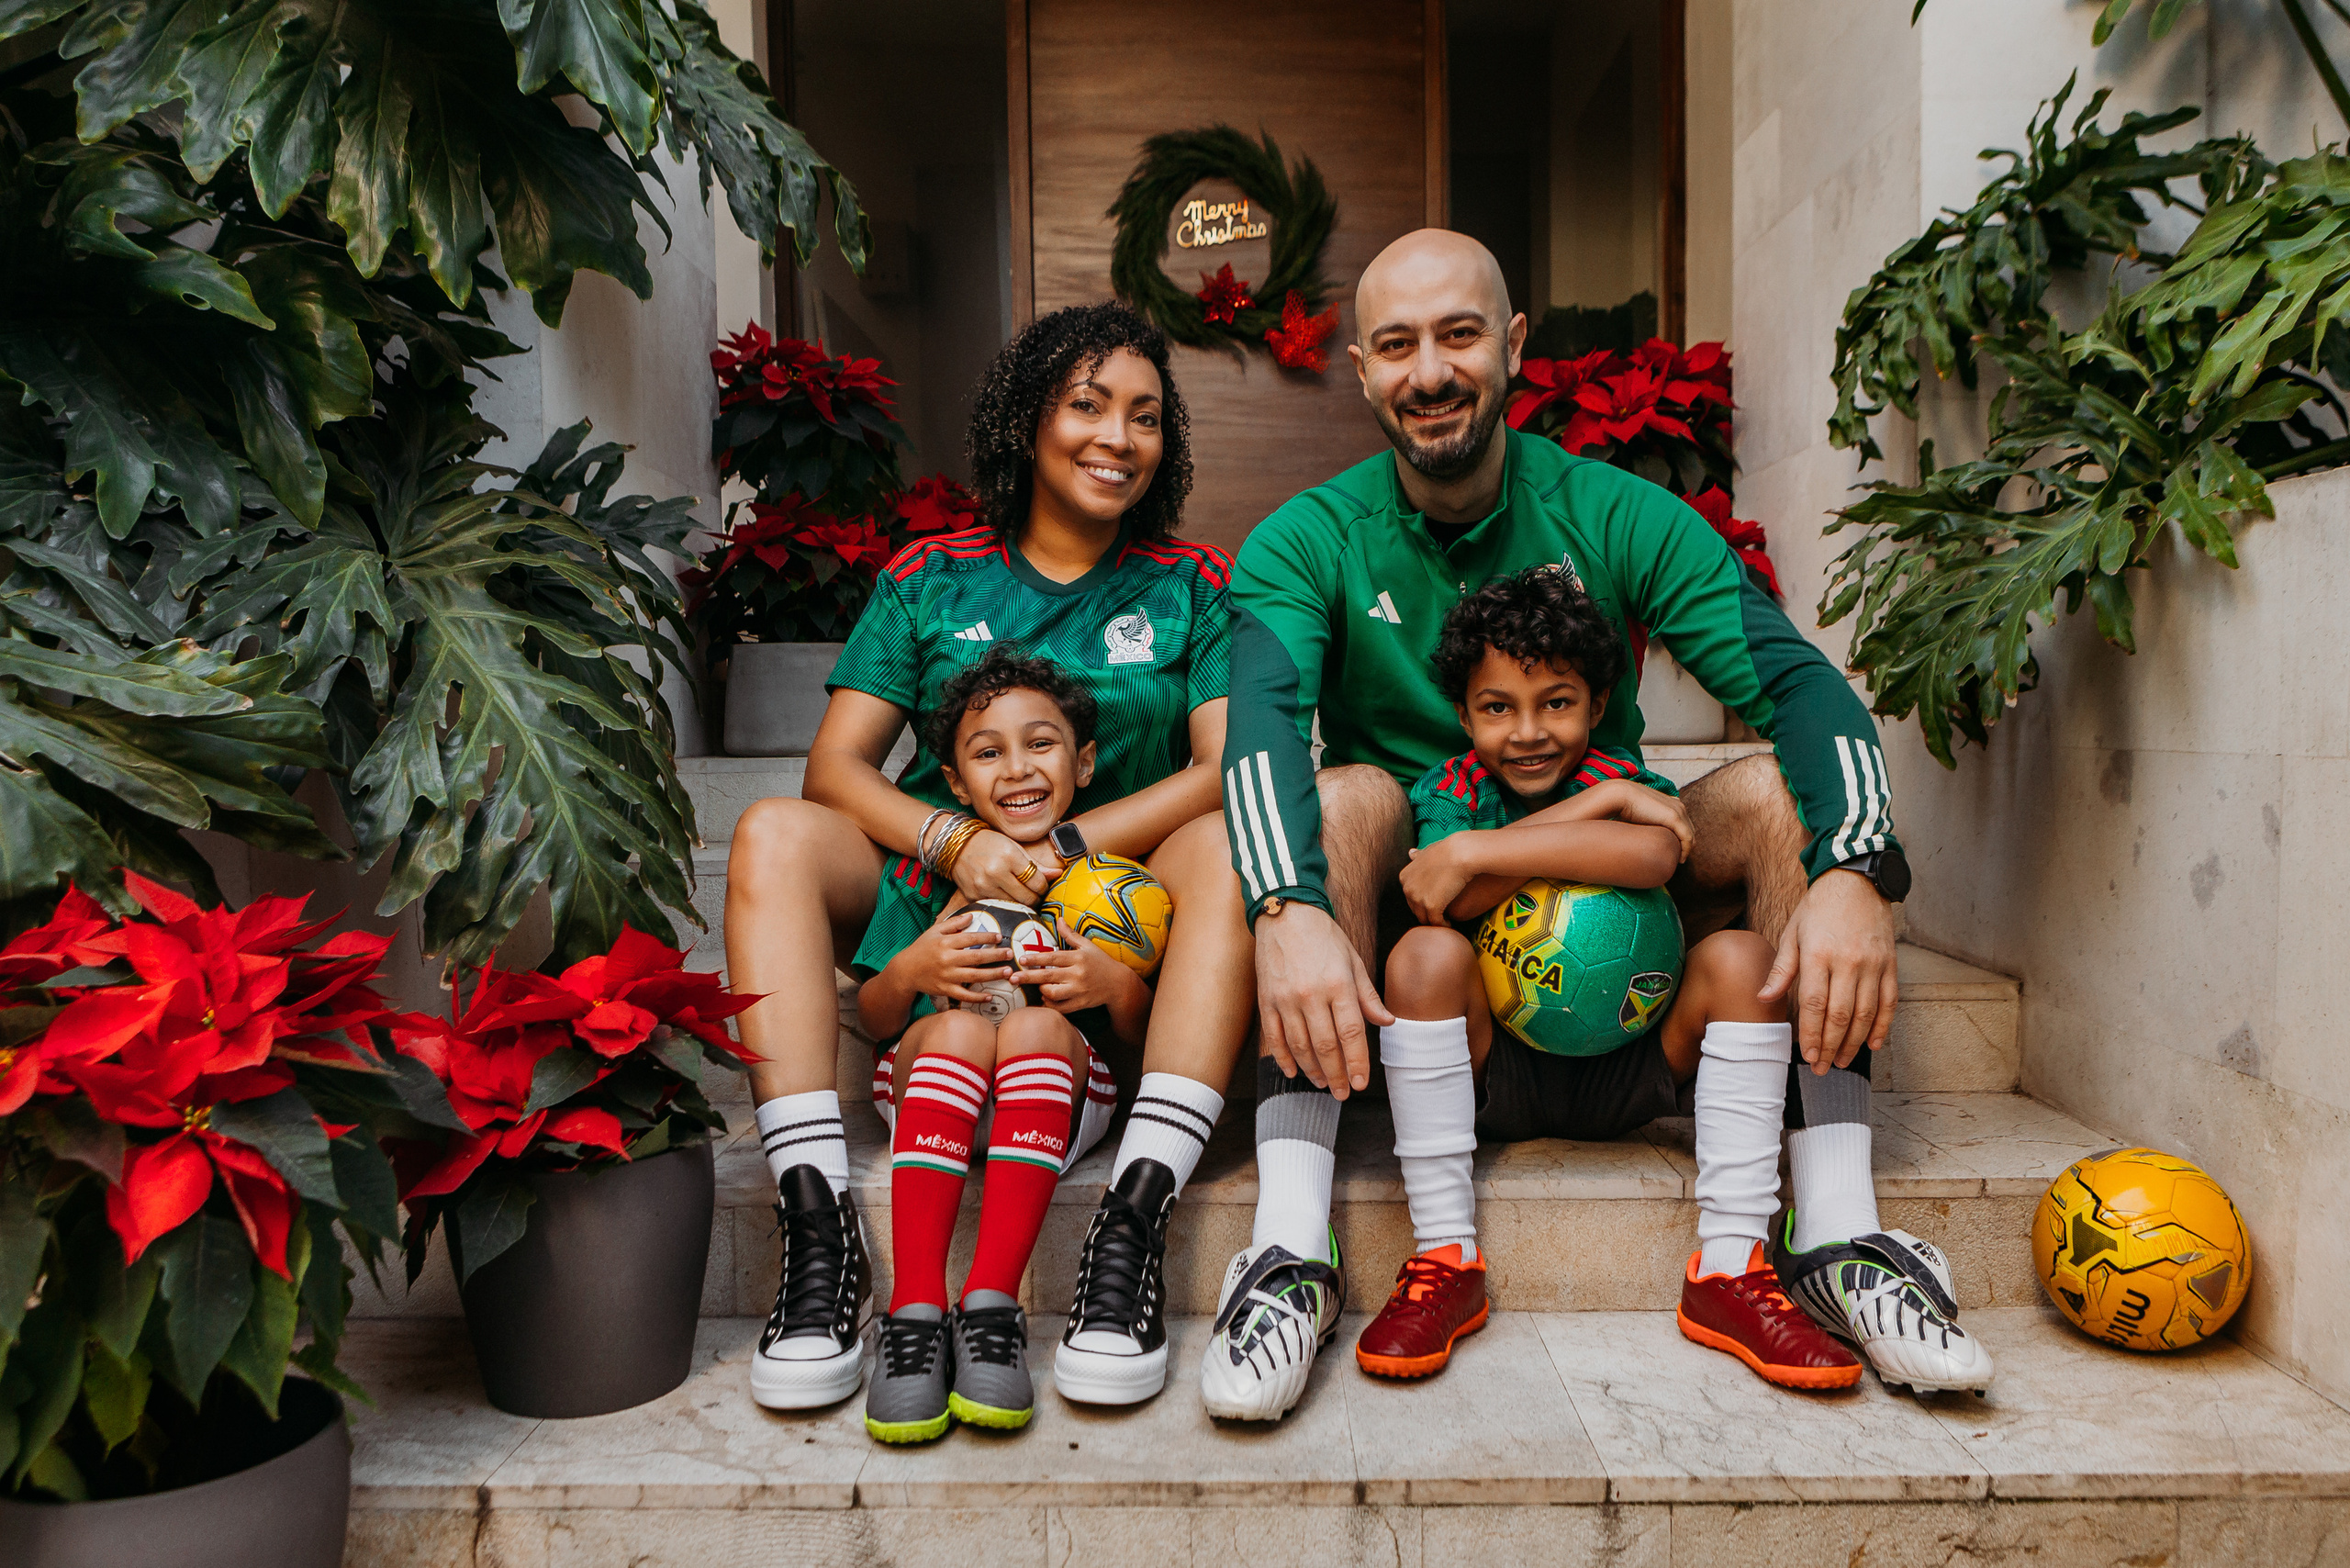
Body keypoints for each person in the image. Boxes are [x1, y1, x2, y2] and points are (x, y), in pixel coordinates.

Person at [1194, 228, 1991, 1421]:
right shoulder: (1309, 538)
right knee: (1348, 794)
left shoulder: (1618, 513)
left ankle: (1835, 1229)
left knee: (1778, 797)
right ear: (1362, 368)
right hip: (1436, 989)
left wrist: (1853, 869)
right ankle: (1290, 1249)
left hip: (1629, 979)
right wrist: (1285, 905)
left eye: (1459, 334)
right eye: (1399, 345)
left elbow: (1799, 685)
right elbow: (1260, 726)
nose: (1430, 371)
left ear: (1512, 345)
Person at [726, 303, 1248, 1414]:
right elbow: (836, 768)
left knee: (1224, 834)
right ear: (1028, 421)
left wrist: (1062, 846)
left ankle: (1135, 1219)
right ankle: (819, 1235)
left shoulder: (1191, 579)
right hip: (940, 893)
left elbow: (1217, 767)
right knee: (772, 828)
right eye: (1088, 404)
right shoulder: (930, 576)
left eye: (1146, 416)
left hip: (1118, 904)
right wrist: (956, 838)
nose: (1119, 436)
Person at [1364, 567, 1873, 1390]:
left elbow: (1654, 855)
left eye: (1556, 702)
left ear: (1598, 704)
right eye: (1497, 708)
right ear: (1464, 715)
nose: (1529, 733)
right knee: (1422, 959)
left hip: (1638, 1058)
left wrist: (1483, 852)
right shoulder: (1454, 789)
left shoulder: (1620, 777)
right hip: (1502, 1070)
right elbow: (1439, 897)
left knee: (1742, 959)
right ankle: (1444, 1257)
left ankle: (1732, 1267)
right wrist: (1575, 823)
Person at [856, 651, 1150, 1441]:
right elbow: (875, 1016)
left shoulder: (1112, 885)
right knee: (953, 1025)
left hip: (1050, 1101)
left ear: (1084, 762)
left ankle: (991, 1307)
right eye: (988, 752)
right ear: (955, 784)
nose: (1017, 769)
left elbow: (1141, 1036)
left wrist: (1115, 985)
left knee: (1027, 1024)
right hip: (933, 1093)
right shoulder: (924, 879)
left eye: (1042, 744)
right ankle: (914, 1316)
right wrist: (913, 966)